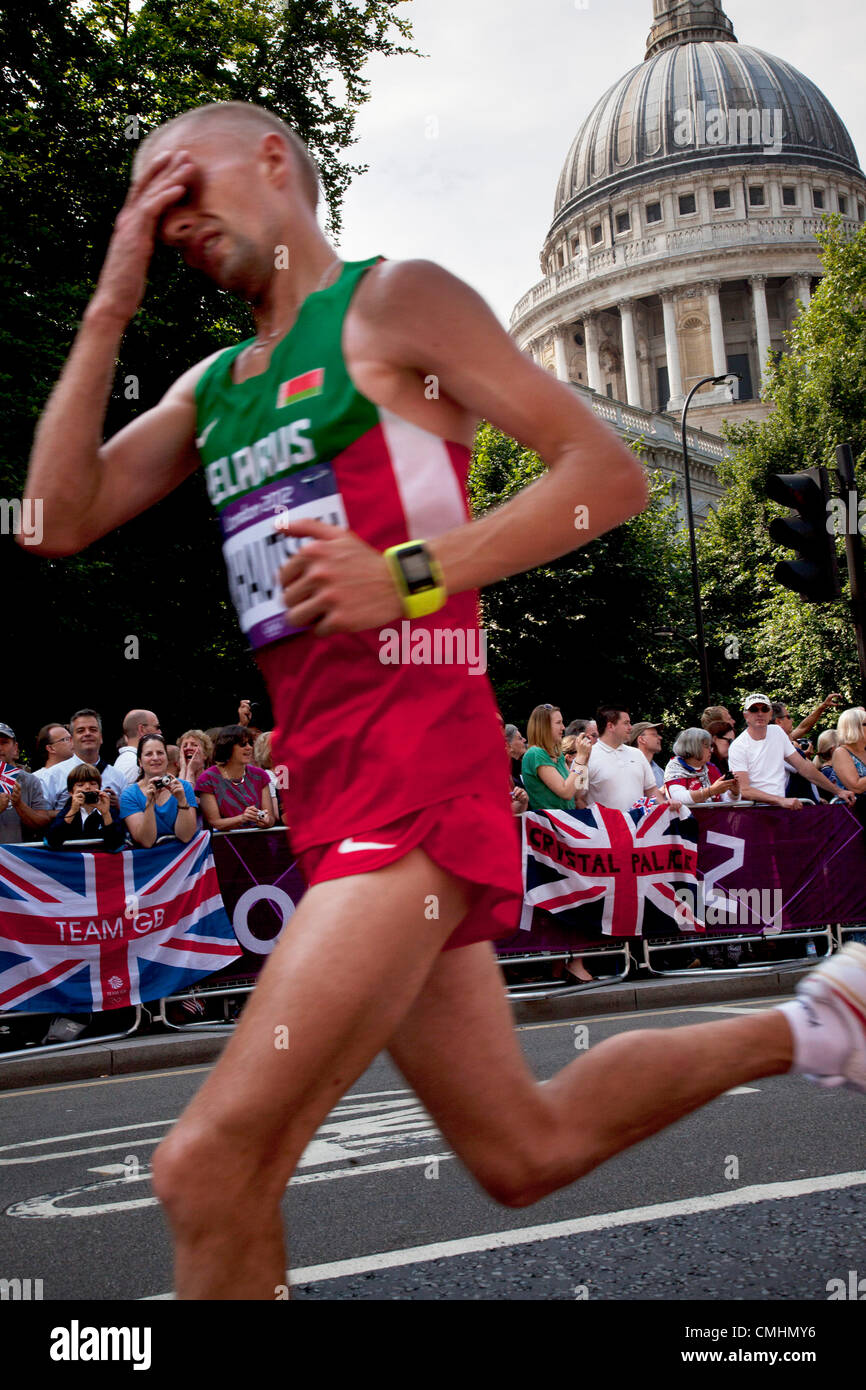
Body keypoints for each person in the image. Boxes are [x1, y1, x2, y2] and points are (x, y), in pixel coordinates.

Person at [23, 100, 866, 1304]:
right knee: (522, 1149)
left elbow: (605, 478)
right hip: (326, 794)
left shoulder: (391, 303)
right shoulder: (213, 387)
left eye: (184, 181)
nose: (172, 220)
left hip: (419, 774)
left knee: (207, 1166)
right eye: (148, 206)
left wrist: (407, 574)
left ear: (274, 162)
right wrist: (109, 300)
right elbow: (52, 521)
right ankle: (820, 1019)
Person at [728, 694, 853, 810]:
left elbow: (804, 767)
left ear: (770, 713)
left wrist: (838, 791)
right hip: (755, 811)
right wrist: (780, 800)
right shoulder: (738, 746)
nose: (760, 713)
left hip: (779, 809)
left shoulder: (777, 732)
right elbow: (743, 789)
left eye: (764, 709)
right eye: (754, 710)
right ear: (746, 715)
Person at [120, 734, 198, 846]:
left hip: (183, 860)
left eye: (160, 753)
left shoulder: (184, 787)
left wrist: (182, 800)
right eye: (148, 754)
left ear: (167, 759)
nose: (155, 758)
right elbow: (146, 841)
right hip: (147, 860)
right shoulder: (129, 795)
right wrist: (150, 804)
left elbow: (185, 836)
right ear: (140, 762)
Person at [195, 725, 276, 831]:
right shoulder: (207, 779)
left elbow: (270, 818)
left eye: (250, 743)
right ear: (227, 747)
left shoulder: (260, 776)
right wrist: (242, 818)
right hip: (224, 843)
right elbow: (215, 822)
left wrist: (265, 821)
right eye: (243, 744)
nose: (249, 747)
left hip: (259, 841)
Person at [42, 709, 124, 812]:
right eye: (81, 731)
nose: (87, 733)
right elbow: (42, 816)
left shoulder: (118, 776)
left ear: (101, 738)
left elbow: (128, 819)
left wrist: (118, 806)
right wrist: (71, 809)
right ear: (71, 740)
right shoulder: (53, 776)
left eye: (93, 729)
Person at [587, 706, 664, 810]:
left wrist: (667, 806)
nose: (630, 727)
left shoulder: (637, 754)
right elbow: (578, 799)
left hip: (639, 824)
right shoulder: (587, 757)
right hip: (603, 825)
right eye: (626, 723)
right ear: (610, 726)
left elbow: (651, 790)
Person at [521, 705, 590, 812]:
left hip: (565, 820)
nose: (563, 727)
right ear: (544, 726)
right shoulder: (535, 753)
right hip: (549, 824)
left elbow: (577, 793)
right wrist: (580, 757)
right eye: (558, 723)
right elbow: (566, 792)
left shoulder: (558, 754)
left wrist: (585, 761)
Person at [44, 763, 126, 851]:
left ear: (100, 787)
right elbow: (51, 842)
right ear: (71, 792)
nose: (87, 787)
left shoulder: (109, 812)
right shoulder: (67, 812)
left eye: (93, 784)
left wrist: (105, 814)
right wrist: (73, 811)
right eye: (80, 785)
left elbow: (117, 846)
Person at [0, 723, 52, 843]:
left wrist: (19, 804)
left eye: (4, 742)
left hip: (19, 858)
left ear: (15, 748)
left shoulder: (30, 781)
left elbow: (42, 824)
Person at [662, 728, 740, 805]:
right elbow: (679, 798)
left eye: (710, 746)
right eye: (706, 746)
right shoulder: (675, 767)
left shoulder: (710, 768)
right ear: (693, 747)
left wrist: (734, 793)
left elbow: (723, 800)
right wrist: (711, 791)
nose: (711, 750)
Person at [113, 709, 162, 787]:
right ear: (142, 729)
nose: (160, 732)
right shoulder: (133, 762)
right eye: (157, 727)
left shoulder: (126, 759)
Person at [32, 723, 75, 789]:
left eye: (71, 738)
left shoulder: (78, 771)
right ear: (50, 748)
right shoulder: (37, 779)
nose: (73, 742)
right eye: (66, 739)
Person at [627, 720, 665, 789]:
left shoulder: (660, 771)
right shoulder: (628, 768)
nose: (660, 738)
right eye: (654, 735)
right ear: (642, 739)